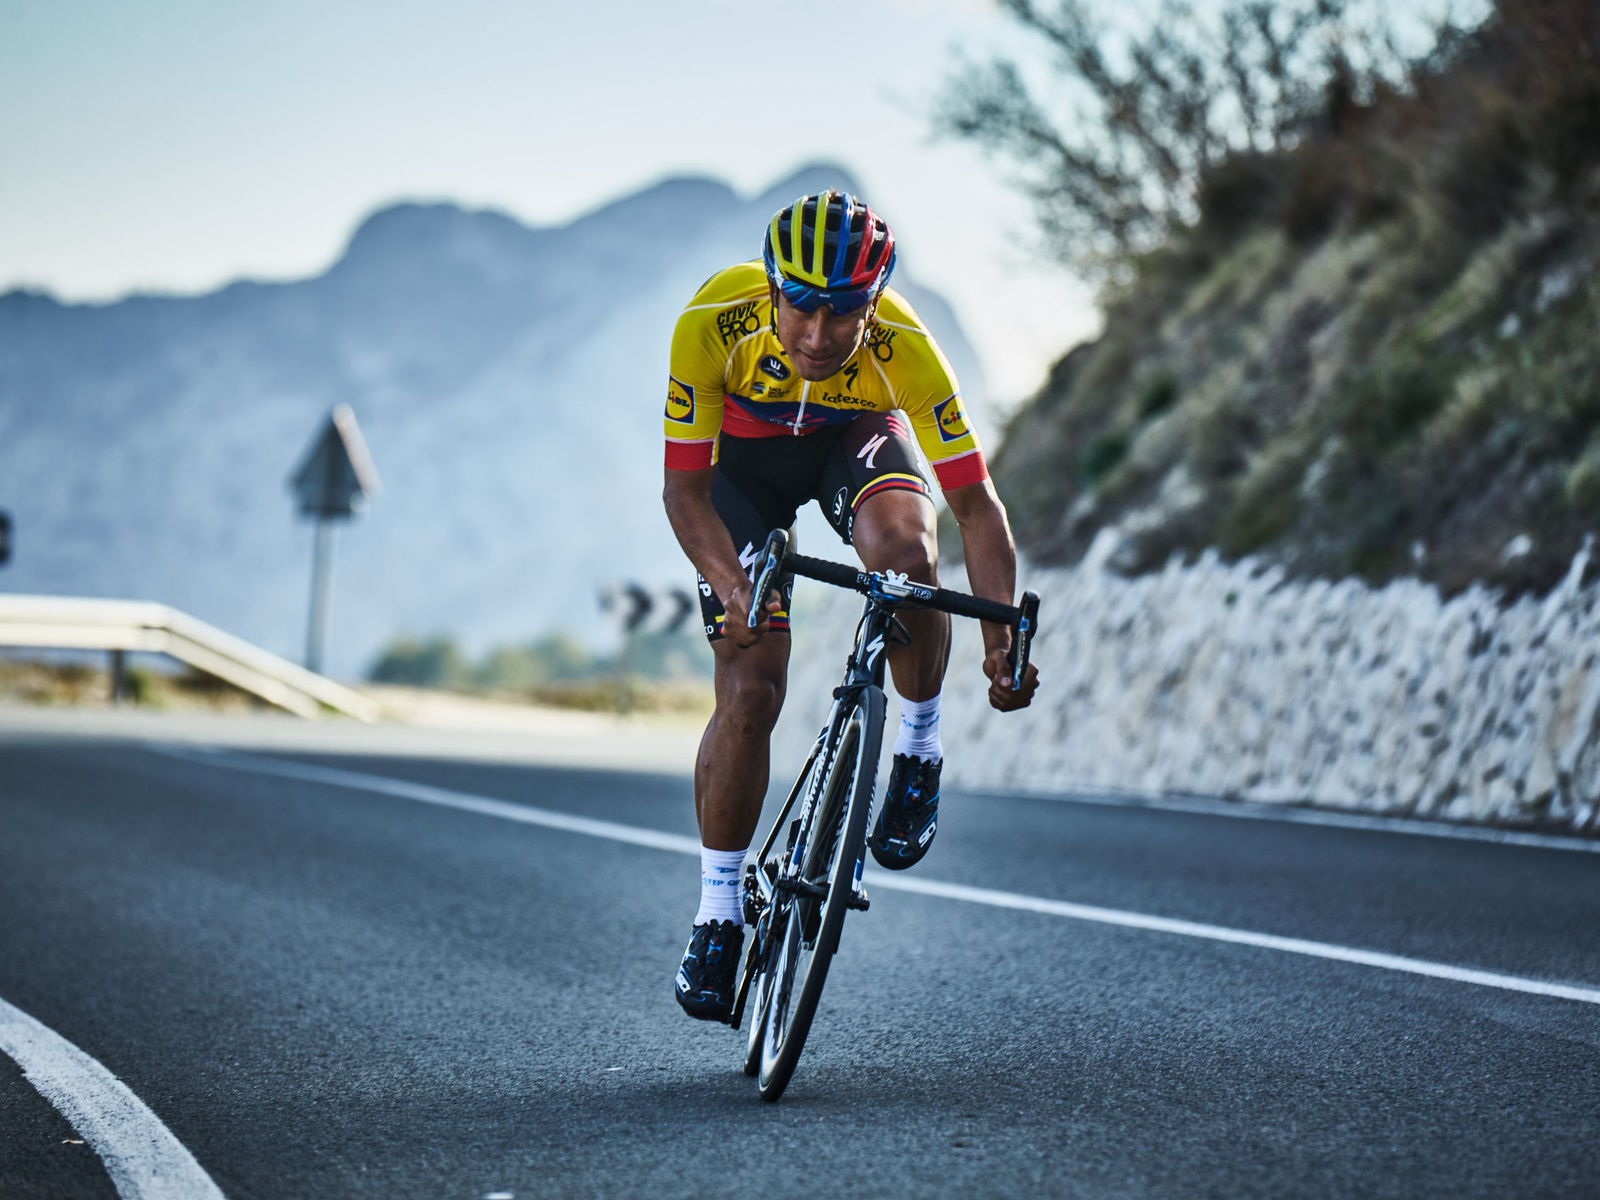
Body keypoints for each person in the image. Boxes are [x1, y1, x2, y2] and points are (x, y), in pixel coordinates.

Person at [663, 190, 1040, 1021]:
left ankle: (918, 748)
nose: (818, 334)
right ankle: (719, 912)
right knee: (750, 688)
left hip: (851, 442)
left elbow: (977, 510)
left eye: (844, 312)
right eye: (801, 305)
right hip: (742, 476)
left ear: (874, 303)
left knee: (907, 560)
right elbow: (684, 493)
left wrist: (999, 641)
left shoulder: (908, 349)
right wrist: (734, 588)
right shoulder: (712, 321)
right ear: (771, 289)